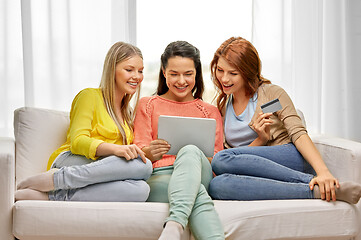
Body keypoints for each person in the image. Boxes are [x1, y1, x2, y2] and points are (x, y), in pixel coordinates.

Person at [208, 37, 361, 204]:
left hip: (288, 155)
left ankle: (314, 179)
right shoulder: (223, 107)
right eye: (220, 70)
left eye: (233, 73)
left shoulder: (271, 95)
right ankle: (313, 191)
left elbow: (298, 132)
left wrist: (323, 171)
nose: (224, 78)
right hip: (259, 169)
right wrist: (260, 140)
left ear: (247, 72)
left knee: (220, 160)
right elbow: (237, 158)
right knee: (218, 186)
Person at [15, 41, 153, 202]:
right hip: (71, 160)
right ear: (112, 70)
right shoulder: (89, 96)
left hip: (98, 169)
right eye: (129, 69)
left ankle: (58, 195)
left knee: (141, 190)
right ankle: (57, 179)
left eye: (141, 71)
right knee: (143, 166)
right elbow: (77, 142)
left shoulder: (128, 113)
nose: (137, 76)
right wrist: (116, 150)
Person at [133, 41, 225, 240]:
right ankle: (177, 225)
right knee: (195, 193)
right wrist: (149, 152)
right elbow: (138, 148)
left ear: (196, 74)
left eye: (188, 74)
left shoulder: (210, 112)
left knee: (190, 150)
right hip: (159, 177)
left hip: (200, 173)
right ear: (164, 72)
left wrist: (196, 156)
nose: (181, 81)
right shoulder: (147, 105)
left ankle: (174, 226)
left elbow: (218, 160)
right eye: (174, 74)